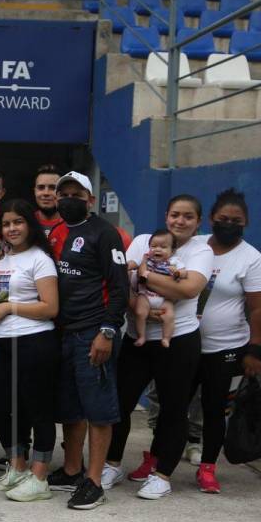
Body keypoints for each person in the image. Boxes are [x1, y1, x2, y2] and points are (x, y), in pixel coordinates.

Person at [106, 195, 213, 500]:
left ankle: (162, 474)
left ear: (198, 222)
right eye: (175, 215)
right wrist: (139, 301)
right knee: (120, 403)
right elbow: (121, 284)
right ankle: (111, 464)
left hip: (179, 339)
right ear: (166, 216)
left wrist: (145, 275)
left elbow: (189, 288)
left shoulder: (201, 250)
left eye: (188, 217)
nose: (180, 221)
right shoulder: (142, 241)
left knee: (173, 408)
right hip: (138, 338)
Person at [46, 171, 129, 509]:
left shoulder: (105, 234)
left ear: (90, 200)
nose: (68, 199)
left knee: (98, 409)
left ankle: (94, 481)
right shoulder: (56, 231)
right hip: (63, 333)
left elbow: (121, 288)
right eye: (62, 193)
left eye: (76, 194)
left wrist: (107, 332)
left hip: (94, 333)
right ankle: (71, 469)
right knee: (70, 407)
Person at [191, 189, 261, 494]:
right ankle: (160, 463)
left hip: (225, 349)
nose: (228, 224)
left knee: (214, 411)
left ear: (246, 222)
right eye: (223, 219)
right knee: (174, 407)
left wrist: (254, 350)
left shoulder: (250, 259)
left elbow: (259, 308)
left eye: (236, 220)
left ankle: (208, 468)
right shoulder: (195, 246)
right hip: (185, 344)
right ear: (210, 219)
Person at [0, 200, 60, 502]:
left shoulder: (40, 259)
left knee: (38, 410)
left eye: (18, 222)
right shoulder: (1, 256)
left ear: (30, 224)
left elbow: (50, 307)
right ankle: (17, 466)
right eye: (6, 223)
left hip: (35, 342)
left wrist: (11, 307)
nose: (12, 228)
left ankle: (39, 477)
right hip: (3, 343)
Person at [129, 229, 181, 347]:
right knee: (140, 312)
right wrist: (129, 264)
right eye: (153, 246)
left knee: (169, 316)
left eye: (163, 247)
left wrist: (177, 273)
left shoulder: (173, 262)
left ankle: (166, 338)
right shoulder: (146, 259)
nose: (157, 249)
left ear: (172, 251)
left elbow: (183, 273)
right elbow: (134, 264)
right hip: (146, 295)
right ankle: (142, 336)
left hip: (163, 298)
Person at [33, 164, 61, 239]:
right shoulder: (26, 222)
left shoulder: (71, 224)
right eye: (41, 187)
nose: (46, 193)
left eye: (52, 188)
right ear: (35, 191)